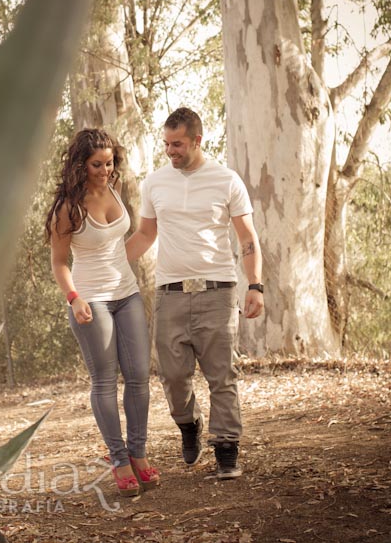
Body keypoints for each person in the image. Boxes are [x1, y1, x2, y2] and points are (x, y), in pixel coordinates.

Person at [126, 107, 264, 479]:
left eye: (178, 144)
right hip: (170, 293)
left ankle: (226, 450)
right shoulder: (155, 183)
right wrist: (109, 261)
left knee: (222, 375)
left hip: (218, 292)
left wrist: (255, 285)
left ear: (197, 140)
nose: (170, 151)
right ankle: (189, 424)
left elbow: (247, 237)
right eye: (167, 144)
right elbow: (145, 234)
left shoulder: (226, 180)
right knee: (172, 376)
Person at [45, 128, 159, 497]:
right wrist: (74, 298)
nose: (105, 170)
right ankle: (120, 460)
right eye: (97, 164)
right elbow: (59, 262)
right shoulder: (68, 209)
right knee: (105, 381)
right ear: (81, 165)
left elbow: (123, 243)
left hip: (127, 293)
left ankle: (138, 453)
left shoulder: (116, 187)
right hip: (91, 299)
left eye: (109, 163)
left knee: (139, 376)